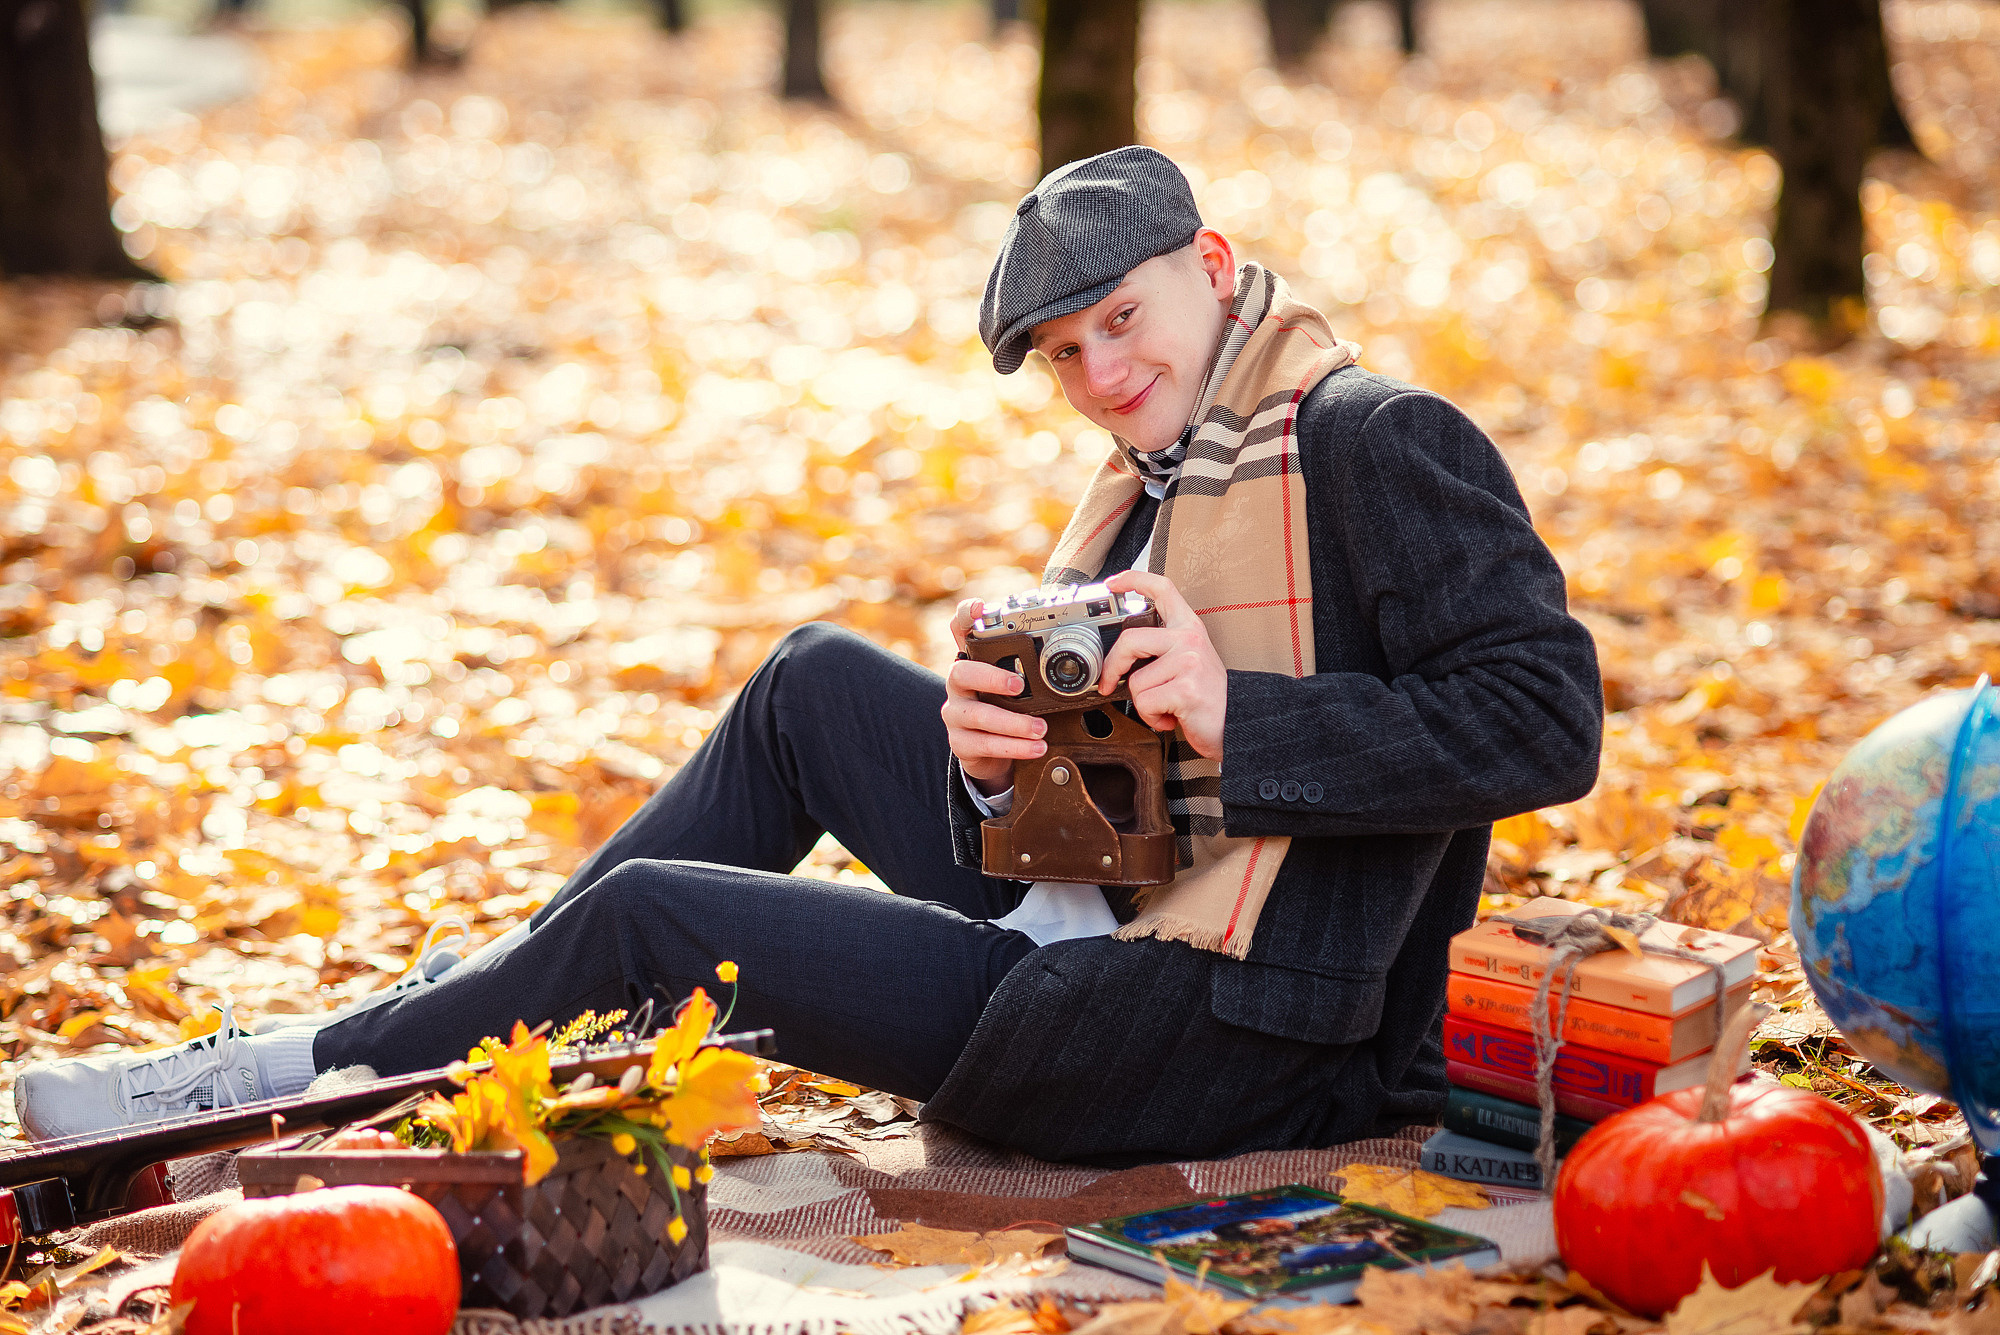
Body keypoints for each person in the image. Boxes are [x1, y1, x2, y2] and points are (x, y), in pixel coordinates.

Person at [16, 147, 1601, 1166]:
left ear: (1214, 263)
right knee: (807, 682)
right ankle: (481, 998)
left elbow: (1547, 718)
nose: (1102, 377)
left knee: (652, 919)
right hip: (1097, 901)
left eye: (1121, 322)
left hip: (1221, 1030)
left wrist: (1238, 719)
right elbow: (1107, 796)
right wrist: (998, 766)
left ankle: (291, 1075)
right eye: (1066, 355)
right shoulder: (1161, 476)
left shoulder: (1373, 440)